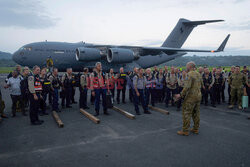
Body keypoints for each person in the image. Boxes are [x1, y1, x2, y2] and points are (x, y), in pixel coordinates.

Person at [175, 61, 202, 136]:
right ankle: (196, 128)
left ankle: (185, 130)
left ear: (189, 67)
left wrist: (180, 95)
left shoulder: (189, 74)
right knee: (196, 113)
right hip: (198, 95)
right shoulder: (198, 74)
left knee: (186, 113)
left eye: (187, 66)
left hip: (191, 97)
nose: (186, 67)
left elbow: (187, 86)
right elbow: (201, 85)